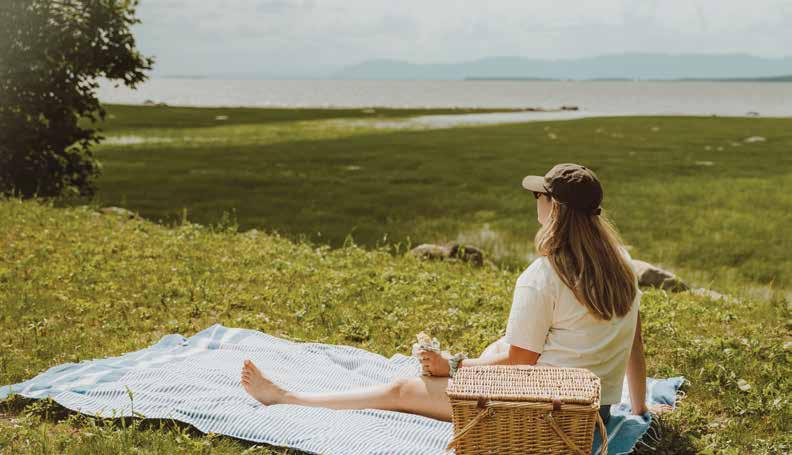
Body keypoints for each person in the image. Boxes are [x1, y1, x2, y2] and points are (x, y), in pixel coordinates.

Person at [241, 163, 650, 422]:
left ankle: (288, 398)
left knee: (399, 390)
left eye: (538, 195)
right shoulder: (622, 264)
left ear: (554, 209)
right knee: (500, 345)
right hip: (594, 412)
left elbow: (519, 368)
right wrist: (639, 408)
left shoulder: (542, 277)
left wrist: (452, 367)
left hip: (543, 413)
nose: (535, 202)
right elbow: (634, 341)